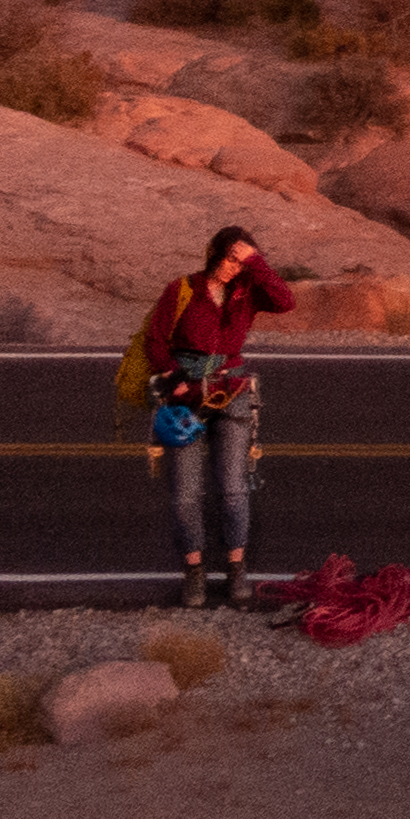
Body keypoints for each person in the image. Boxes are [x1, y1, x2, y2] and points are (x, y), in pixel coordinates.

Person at [142, 226, 294, 608]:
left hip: (233, 393)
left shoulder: (247, 293)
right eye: (228, 258)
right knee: (185, 493)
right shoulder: (182, 290)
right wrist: (174, 376)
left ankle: (236, 568)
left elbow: (285, 301)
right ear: (213, 254)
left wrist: (255, 262)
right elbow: (155, 339)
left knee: (232, 489)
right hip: (187, 398)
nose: (231, 267)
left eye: (238, 261)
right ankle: (193, 572)